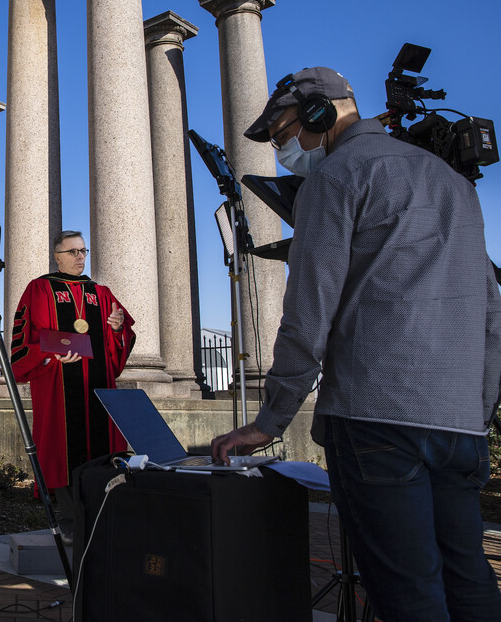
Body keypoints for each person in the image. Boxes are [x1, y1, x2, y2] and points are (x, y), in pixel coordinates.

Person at [211, 67, 501, 620]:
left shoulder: (336, 177)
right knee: (469, 581)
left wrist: (270, 420)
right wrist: (478, 410)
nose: (282, 150)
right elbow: (492, 309)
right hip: (460, 425)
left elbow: (307, 312)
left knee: (408, 593)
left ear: (320, 113)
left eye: (283, 134)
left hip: (377, 425)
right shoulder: (453, 183)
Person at [11, 230, 135, 531]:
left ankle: (100, 517)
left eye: (83, 251)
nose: (80, 257)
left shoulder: (100, 293)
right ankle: (70, 521)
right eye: (73, 252)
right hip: (58, 385)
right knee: (61, 450)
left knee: (101, 452)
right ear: (57, 256)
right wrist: (49, 355)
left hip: (97, 388)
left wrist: (118, 327)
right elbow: (24, 339)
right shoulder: (39, 289)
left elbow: (121, 338)